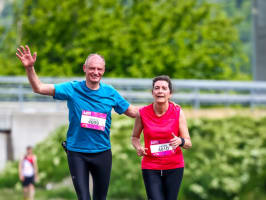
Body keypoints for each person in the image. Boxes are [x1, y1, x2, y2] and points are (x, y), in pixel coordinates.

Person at [16, 45, 138, 200]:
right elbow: (39, 88)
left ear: (104, 71)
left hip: (102, 152)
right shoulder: (72, 88)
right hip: (77, 153)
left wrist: (162, 107)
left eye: (99, 69)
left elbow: (133, 112)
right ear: (84, 68)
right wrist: (29, 68)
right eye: (92, 68)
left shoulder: (110, 93)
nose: (95, 72)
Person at [131, 75, 192, 200]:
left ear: (170, 93)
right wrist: (138, 147)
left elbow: (188, 143)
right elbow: (134, 137)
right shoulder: (142, 113)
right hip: (151, 166)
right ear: (152, 92)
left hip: (174, 167)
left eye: (164, 88)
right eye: (157, 88)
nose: (160, 91)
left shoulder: (178, 112)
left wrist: (180, 141)